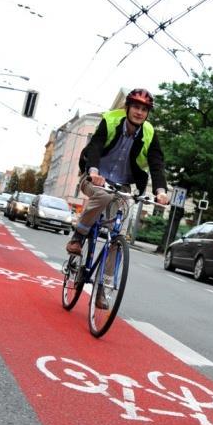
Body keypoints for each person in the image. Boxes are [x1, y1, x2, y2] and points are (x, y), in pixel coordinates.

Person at [66, 88, 169, 307]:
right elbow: (95, 145)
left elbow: (156, 162)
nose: (139, 113)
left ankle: (103, 288)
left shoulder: (149, 132)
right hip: (94, 178)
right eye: (136, 107)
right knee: (102, 195)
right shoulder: (111, 120)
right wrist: (93, 171)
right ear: (128, 108)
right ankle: (78, 237)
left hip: (122, 186)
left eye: (144, 109)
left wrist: (160, 190)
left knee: (117, 236)